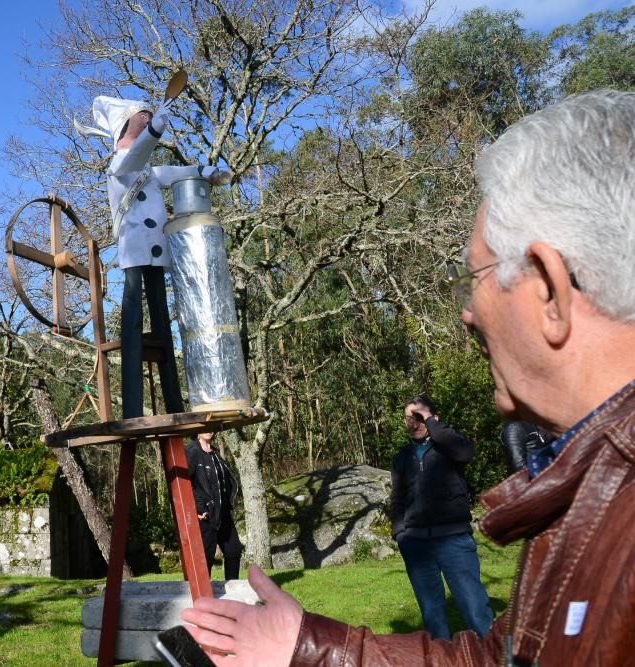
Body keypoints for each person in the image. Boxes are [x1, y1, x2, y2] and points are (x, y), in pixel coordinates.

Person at [182, 89, 635, 665]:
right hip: (416, 542)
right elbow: (496, 659)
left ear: (547, 289)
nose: (467, 313)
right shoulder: (593, 486)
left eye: (475, 277)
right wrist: (309, 647)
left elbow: (460, 452)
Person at [78, 94, 229, 419]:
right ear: (126, 125)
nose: (147, 118)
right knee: (132, 320)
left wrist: (206, 171)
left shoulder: (147, 169)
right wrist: (157, 127)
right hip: (134, 250)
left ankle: (175, 402)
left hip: (158, 249)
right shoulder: (119, 165)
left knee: (162, 319)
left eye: (149, 116)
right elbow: (135, 156)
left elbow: (176, 171)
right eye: (142, 116)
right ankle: (132, 409)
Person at [391, 395, 493, 639]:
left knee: (476, 609)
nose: (413, 423)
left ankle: (496, 656)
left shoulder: (448, 446)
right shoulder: (401, 457)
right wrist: (400, 533)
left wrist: (432, 423)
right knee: (432, 617)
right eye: (409, 418)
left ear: (432, 417)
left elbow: (465, 452)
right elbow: (397, 498)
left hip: (454, 540)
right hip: (416, 545)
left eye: (419, 417)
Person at [187, 431, 243, 580]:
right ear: (197, 432)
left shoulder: (216, 454)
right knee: (206, 558)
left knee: (234, 550)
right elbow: (185, 483)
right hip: (205, 515)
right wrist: (199, 507)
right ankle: (202, 597)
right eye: (204, 427)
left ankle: (231, 591)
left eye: (211, 427)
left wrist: (229, 503)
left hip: (223, 513)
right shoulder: (192, 452)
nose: (208, 430)